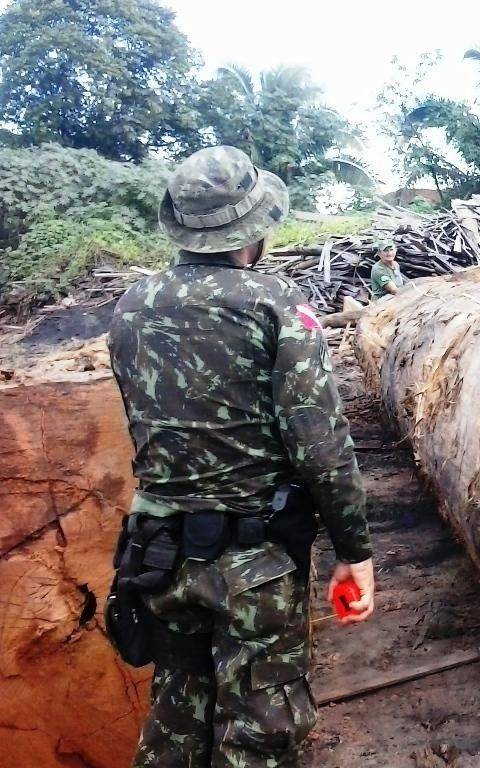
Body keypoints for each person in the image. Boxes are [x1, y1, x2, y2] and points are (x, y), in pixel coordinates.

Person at [106, 145, 375, 768]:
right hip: (253, 564)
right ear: (254, 227)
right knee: (260, 730)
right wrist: (354, 551)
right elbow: (322, 448)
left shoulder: (130, 307)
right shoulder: (277, 306)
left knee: (176, 717)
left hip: (157, 555)